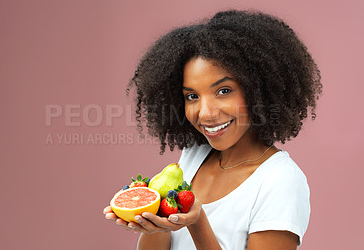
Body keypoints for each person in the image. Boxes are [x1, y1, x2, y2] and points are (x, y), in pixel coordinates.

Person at [103, 9, 322, 250]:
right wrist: (153, 221)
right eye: (192, 96)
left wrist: (197, 223)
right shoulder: (193, 156)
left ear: (259, 90)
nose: (205, 112)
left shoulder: (280, 180)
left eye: (223, 91)